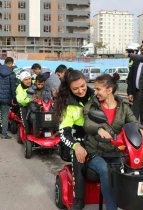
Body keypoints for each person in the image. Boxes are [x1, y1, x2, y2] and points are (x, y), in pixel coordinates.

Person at [84, 73, 143, 210]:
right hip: (96, 153)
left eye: (98, 89)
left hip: (117, 153)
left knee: (129, 174)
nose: (95, 92)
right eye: (95, 89)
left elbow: (133, 121)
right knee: (106, 171)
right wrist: (98, 129)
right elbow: (87, 123)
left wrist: (140, 129)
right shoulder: (92, 105)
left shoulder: (123, 107)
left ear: (109, 90)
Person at [55, 68, 94, 210]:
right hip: (79, 138)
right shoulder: (67, 104)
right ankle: (79, 198)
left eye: (83, 86)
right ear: (69, 89)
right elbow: (63, 133)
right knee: (79, 161)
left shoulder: (95, 95)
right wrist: (76, 146)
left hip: (98, 137)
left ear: (86, 81)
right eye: (75, 89)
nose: (80, 90)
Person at [124, 45, 143, 119]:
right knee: (133, 116)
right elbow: (130, 78)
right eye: (142, 47)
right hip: (136, 93)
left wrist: (130, 55)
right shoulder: (136, 62)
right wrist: (130, 92)